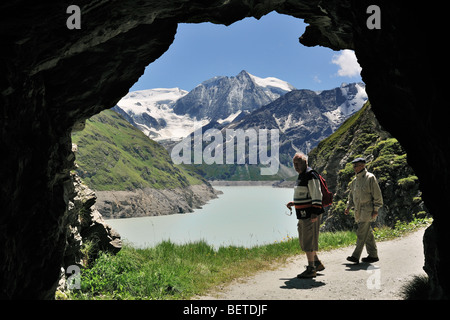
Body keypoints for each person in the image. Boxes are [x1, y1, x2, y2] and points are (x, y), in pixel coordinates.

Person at [286, 152, 325, 278]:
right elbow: (305, 194)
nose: (295, 166)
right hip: (303, 214)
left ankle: (311, 268)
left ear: (305, 162)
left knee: (308, 240)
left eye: (298, 163)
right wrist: (294, 203)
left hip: (310, 215)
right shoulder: (302, 176)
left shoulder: (311, 175)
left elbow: (317, 195)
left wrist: (315, 212)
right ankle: (317, 263)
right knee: (306, 239)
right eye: (294, 164)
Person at [344, 157, 383, 264]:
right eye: (354, 166)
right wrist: (348, 207)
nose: (354, 168)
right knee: (367, 234)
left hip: (368, 210)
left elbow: (377, 195)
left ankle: (355, 256)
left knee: (361, 233)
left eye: (356, 166)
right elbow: (351, 197)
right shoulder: (354, 181)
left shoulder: (370, 178)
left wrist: (376, 209)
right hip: (358, 211)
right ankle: (373, 255)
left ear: (363, 166)